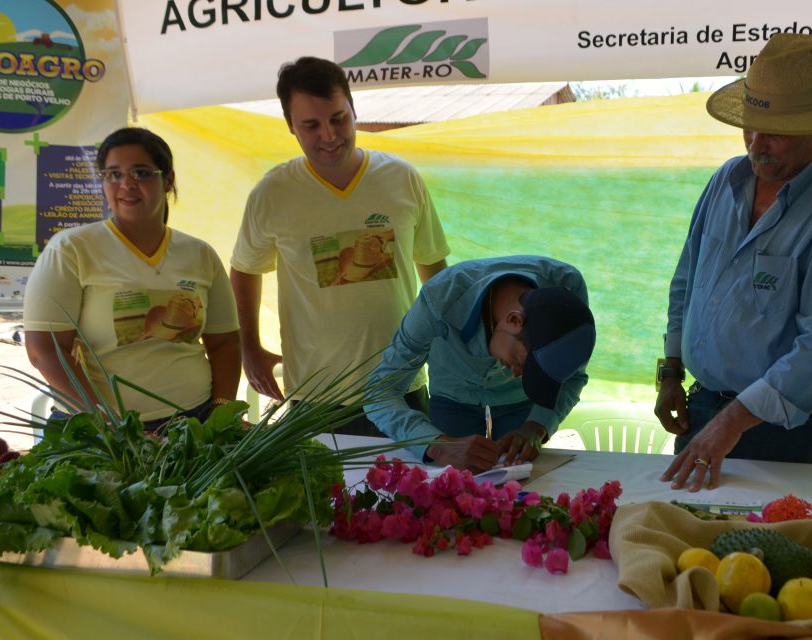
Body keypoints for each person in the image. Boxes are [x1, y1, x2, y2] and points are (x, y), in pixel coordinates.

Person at [655, 34, 812, 492]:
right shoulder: (726, 179)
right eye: (750, 124)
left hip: (787, 431)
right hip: (704, 407)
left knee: (777, 552)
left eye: (776, 130)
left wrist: (729, 424)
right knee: (687, 543)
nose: (756, 143)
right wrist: (670, 371)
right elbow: (688, 280)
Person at [230, 56, 449, 433]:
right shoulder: (273, 192)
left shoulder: (400, 178)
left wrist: (450, 342)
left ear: (353, 109)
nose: (329, 136)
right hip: (315, 395)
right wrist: (249, 348)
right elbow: (245, 268)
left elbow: (434, 268)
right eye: (311, 125)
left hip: (400, 384)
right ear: (290, 127)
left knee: (414, 491)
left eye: (338, 118)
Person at [24, 127, 241, 429]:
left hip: (194, 423)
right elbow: (44, 349)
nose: (126, 184)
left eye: (141, 172)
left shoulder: (199, 254)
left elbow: (225, 343)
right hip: (104, 432)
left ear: (168, 180)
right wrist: (104, 422)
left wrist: (221, 411)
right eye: (113, 174)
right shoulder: (72, 249)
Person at [365, 256, 596, 472]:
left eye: (533, 372)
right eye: (520, 363)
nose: (517, 375)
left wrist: (536, 426)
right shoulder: (439, 300)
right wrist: (437, 445)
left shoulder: (568, 291)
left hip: (520, 402)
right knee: (450, 485)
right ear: (515, 320)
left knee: (521, 480)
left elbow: (572, 376)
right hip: (453, 393)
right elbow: (379, 391)